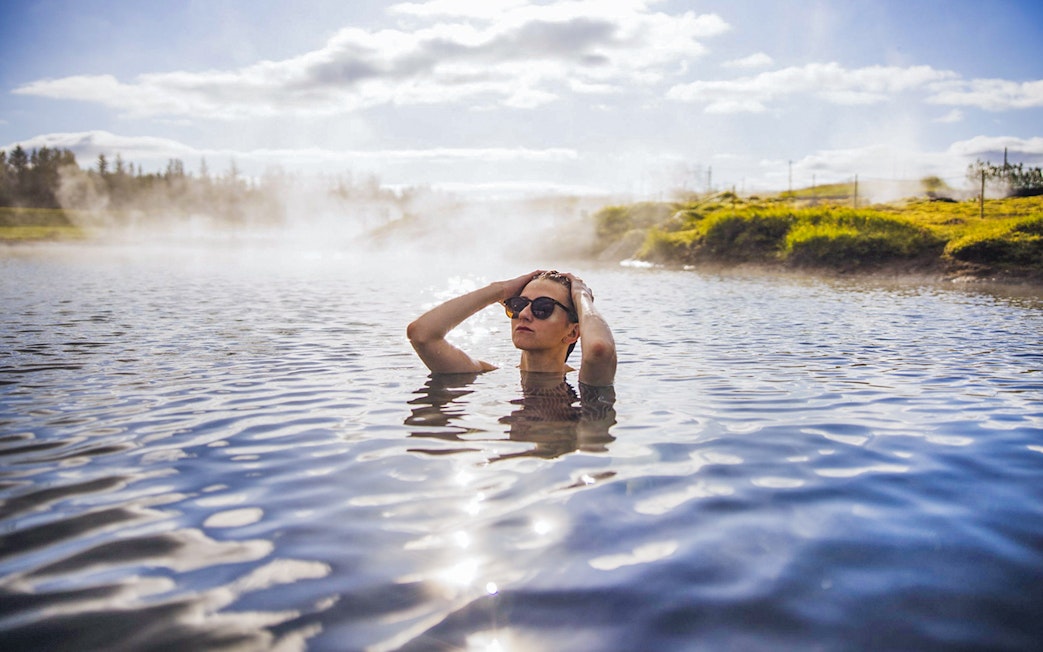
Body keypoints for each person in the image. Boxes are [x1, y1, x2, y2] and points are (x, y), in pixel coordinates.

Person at [407, 270, 616, 387]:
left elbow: (599, 349)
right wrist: (499, 290)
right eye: (518, 305)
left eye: (543, 308)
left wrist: (582, 296)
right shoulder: (488, 374)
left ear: (572, 332)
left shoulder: (587, 380)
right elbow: (422, 334)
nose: (524, 314)